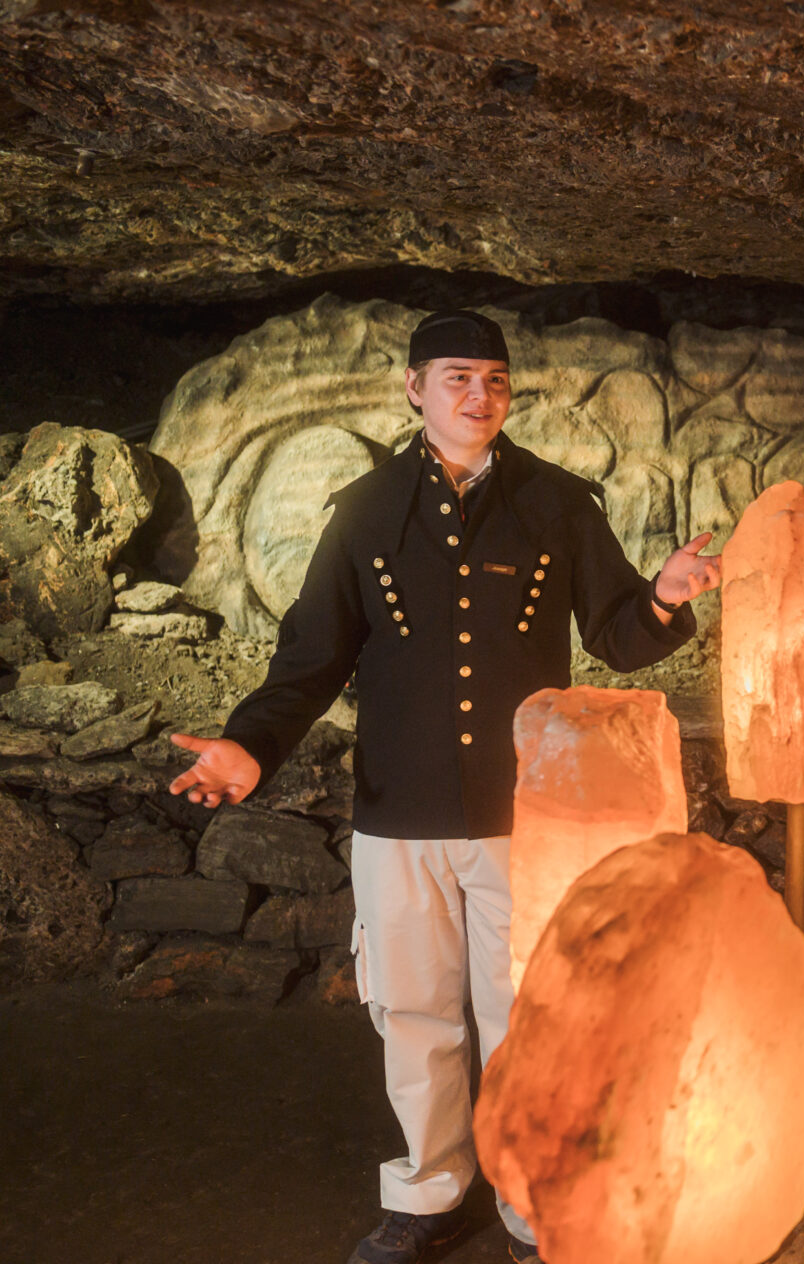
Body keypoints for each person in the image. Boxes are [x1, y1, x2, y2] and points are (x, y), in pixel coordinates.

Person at [166, 309, 722, 1264]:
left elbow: (617, 636)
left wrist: (666, 596)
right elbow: (309, 658)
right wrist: (250, 748)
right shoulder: (365, 510)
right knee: (413, 1015)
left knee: (522, 1013)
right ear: (415, 389)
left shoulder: (557, 502)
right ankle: (429, 1194)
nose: (480, 395)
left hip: (524, 811)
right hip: (399, 812)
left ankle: (529, 1203)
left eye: (496, 380)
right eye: (458, 377)